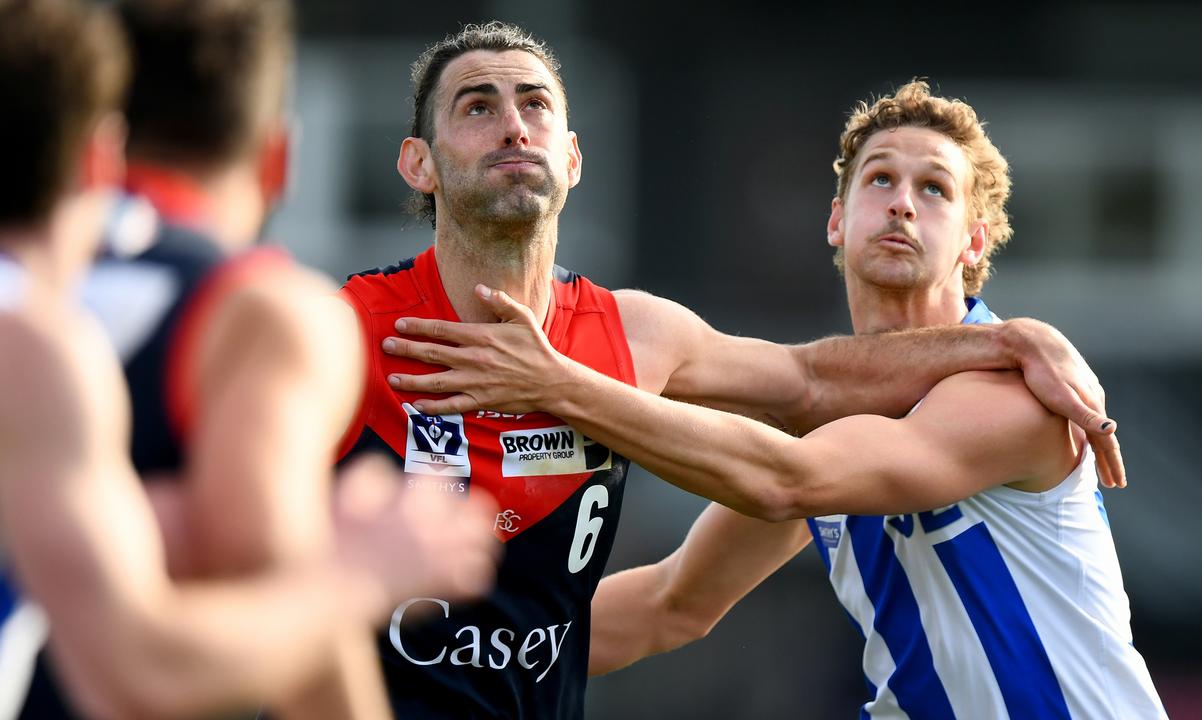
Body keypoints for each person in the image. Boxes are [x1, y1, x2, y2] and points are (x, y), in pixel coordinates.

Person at [340, 22, 1125, 719]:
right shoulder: (839, 425)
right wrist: (454, 660)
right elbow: (671, 603)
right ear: (835, 219)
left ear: (976, 242)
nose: (901, 205)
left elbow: (789, 475)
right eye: (880, 178)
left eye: (935, 189)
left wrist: (557, 386)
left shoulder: (1010, 400)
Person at [0, 2, 498, 718]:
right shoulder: (265, 313)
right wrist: (361, 569)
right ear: (280, 159)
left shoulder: (49, 297)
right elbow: (260, 576)